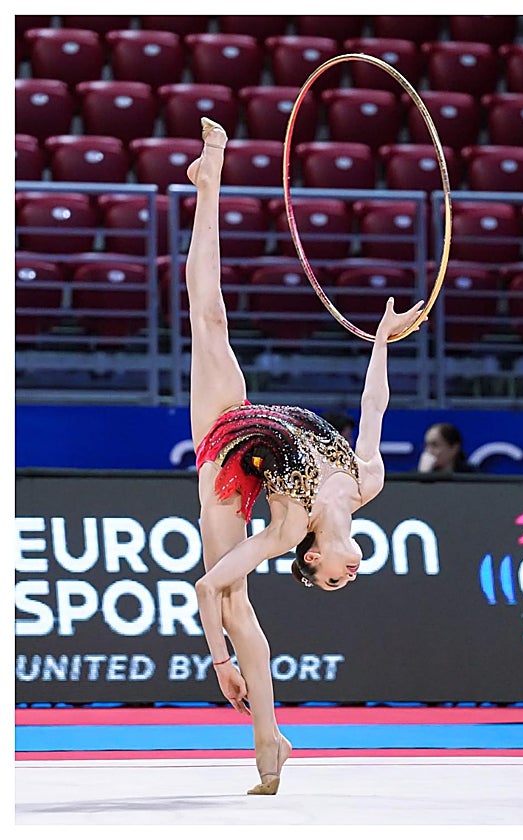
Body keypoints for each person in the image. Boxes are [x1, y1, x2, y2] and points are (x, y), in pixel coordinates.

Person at [184, 117, 426, 794]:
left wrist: (219, 662)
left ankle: (211, 176)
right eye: (345, 582)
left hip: (225, 460)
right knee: (212, 317)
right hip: (254, 426)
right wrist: (382, 339)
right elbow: (374, 406)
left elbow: (204, 586)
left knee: (205, 316)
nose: (349, 577)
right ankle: (271, 743)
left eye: (332, 582)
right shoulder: (366, 482)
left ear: (313, 560)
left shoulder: (290, 529)